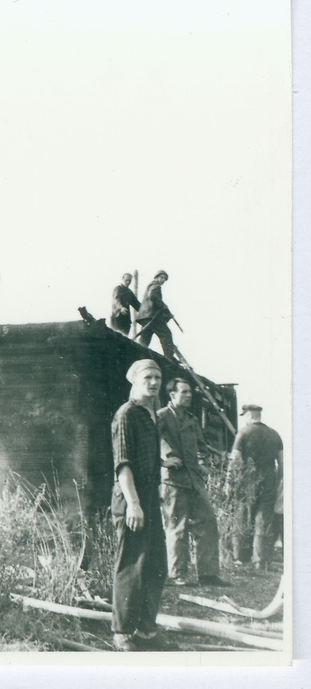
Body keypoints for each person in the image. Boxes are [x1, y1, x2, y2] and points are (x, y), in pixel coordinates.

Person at [110, 359, 167, 651]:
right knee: (132, 564)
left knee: (156, 564)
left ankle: (146, 629)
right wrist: (133, 504)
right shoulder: (127, 414)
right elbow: (123, 464)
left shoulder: (151, 414)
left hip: (149, 497)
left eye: (158, 377)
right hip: (131, 495)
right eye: (148, 377)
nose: (154, 382)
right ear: (135, 381)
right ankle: (122, 632)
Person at [157, 378, 226, 587]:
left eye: (190, 392)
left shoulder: (191, 419)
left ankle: (208, 574)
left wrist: (204, 463)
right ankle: (177, 574)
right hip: (173, 481)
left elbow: (202, 447)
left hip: (194, 480)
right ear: (172, 394)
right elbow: (152, 441)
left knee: (208, 522)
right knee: (177, 527)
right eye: (184, 392)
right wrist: (164, 460)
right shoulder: (161, 417)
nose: (189, 395)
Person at [227, 404, 284, 570]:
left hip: (248, 479)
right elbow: (282, 463)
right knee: (264, 518)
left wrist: (230, 482)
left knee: (243, 515)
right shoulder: (274, 434)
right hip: (269, 480)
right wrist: (277, 481)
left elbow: (235, 460)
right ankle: (260, 560)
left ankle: (240, 557)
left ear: (248, 415)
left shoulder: (243, 433)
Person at [136, 270, 176, 360]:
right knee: (166, 334)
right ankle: (169, 358)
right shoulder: (155, 286)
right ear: (156, 277)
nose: (163, 280)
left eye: (164, 279)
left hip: (145, 317)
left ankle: (137, 354)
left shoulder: (150, 285)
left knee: (145, 337)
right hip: (152, 317)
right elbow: (153, 296)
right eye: (162, 277)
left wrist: (166, 313)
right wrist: (165, 307)